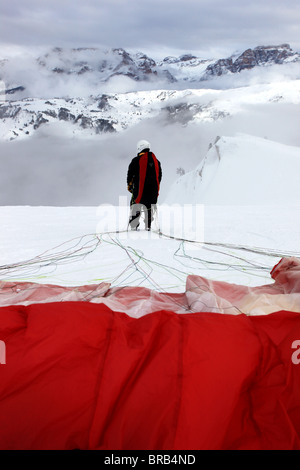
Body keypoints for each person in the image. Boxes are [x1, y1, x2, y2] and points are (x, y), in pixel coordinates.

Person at [127, 140, 162, 231]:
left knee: (135, 205)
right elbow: (159, 176)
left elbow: (130, 175)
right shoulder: (156, 161)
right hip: (153, 192)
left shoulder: (135, 161)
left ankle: (134, 225)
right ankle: (148, 226)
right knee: (149, 207)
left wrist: (130, 186)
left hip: (139, 191)